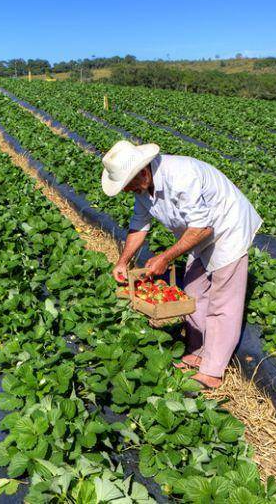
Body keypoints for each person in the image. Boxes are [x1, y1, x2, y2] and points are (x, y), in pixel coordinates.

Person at [101, 140, 262, 389]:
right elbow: (139, 225)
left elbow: (203, 227)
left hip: (227, 227)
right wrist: (123, 261)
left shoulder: (181, 176)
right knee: (194, 292)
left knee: (223, 300)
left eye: (128, 184)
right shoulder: (143, 189)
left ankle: (212, 371)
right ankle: (197, 352)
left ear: (142, 172)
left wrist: (165, 257)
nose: (126, 190)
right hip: (197, 234)